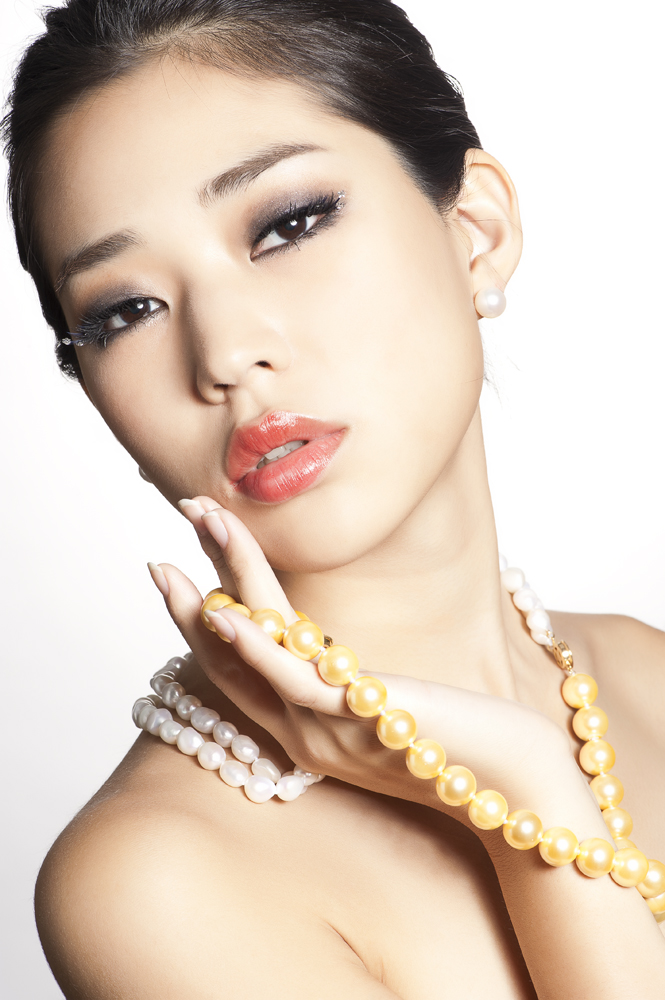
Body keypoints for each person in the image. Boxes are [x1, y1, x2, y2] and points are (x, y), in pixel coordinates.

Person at [4, 0, 664, 996]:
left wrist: (526, 760)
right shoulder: (157, 885)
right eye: (126, 310)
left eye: (287, 225)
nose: (225, 353)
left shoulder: (646, 674)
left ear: (475, 230)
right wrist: (531, 802)